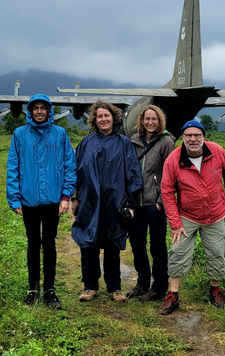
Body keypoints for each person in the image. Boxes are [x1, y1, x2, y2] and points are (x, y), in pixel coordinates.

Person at [159, 119, 225, 315]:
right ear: (183, 138)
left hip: (216, 214)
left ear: (203, 137)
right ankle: (173, 295)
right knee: (177, 252)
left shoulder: (217, 152)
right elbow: (167, 191)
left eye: (197, 135)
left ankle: (215, 289)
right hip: (187, 215)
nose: (193, 139)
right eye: (188, 135)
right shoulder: (173, 159)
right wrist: (175, 223)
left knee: (217, 252)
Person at [7, 94, 77, 309]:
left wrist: (66, 196)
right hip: (28, 200)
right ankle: (32, 288)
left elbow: (69, 166)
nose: (39, 111)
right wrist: (14, 197)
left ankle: (49, 289)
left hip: (53, 200)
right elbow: (13, 166)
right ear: (30, 111)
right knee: (32, 244)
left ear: (49, 111)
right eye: (35, 108)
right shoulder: (19, 134)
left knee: (49, 243)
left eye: (43, 108)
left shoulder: (60, 134)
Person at [71, 101, 143, 303]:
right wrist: (74, 198)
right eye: (99, 116)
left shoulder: (123, 143)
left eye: (107, 115)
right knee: (88, 242)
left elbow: (132, 174)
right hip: (89, 201)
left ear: (114, 118)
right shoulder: (86, 143)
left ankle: (115, 287)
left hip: (115, 202)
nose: (103, 119)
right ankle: (90, 286)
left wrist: (131, 205)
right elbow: (76, 171)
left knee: (112, 244)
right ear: (94, 120)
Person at [127, 105, 176, 301]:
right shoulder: (134, 141)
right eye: (147, 119)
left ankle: (159, 286)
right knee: (137, 244)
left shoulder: (166, 142)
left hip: (154, 203)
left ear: (160, 121)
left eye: (154, 119)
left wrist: (161, 202)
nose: (150, 122)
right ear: (141, 120)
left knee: (157, 246)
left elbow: (169, 174)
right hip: (136, 203)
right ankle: (142, 281)